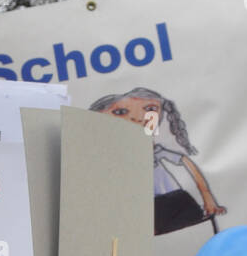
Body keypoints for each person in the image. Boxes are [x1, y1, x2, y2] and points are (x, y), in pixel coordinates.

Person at [90, 87, 226, 235]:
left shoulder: (154, 151)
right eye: (120, 112)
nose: (137, 117)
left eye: (150, 109)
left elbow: (185, 161)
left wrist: (207, 196)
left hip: (177, 202)